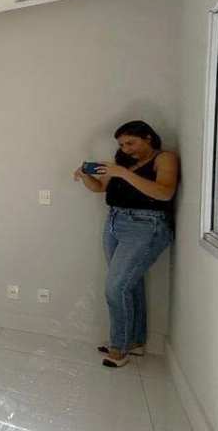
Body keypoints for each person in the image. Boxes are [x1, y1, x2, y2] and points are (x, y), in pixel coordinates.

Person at [73, 120, 179, 368]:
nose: (126, 148)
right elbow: (100, 188)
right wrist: (85, 176)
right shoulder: (122, 161)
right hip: (114, 222)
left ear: (148, 138)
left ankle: (118, 347)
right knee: (129, 284)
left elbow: (164, 192)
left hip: (146, 225)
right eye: (122, 145)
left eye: (130, 143)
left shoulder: (164, 158)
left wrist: (123, 173)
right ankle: (134, 341)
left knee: (116, 287)